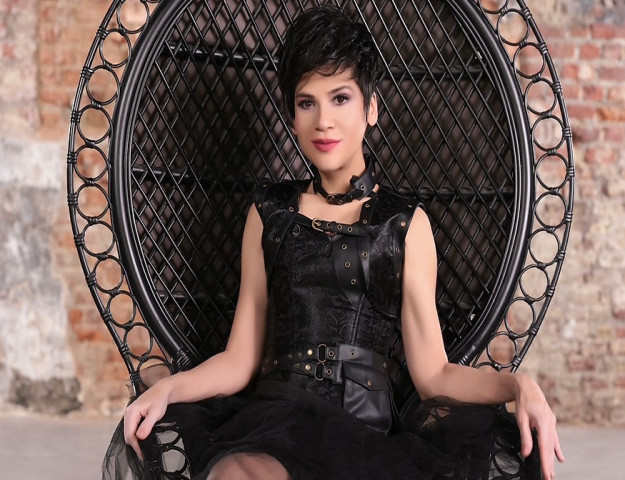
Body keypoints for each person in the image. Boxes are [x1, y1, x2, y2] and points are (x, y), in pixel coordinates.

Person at [104, 5, 564, 480]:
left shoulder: (404, 224)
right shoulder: (269, 213)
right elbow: (239, 360)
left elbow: (434, 375)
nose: (323, 121)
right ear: (293, 115)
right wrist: (168, 389)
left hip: (364, 436)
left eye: (340, 98)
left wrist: (518, 385)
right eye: (307, 103)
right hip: (274, 420)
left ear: (371, 108)